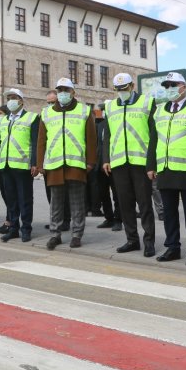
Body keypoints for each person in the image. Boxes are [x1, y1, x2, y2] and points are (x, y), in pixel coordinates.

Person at [147, 72, 186, 266]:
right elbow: (154, 140)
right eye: (166, 86)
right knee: (169, 212)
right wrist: (150, 165)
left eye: (173, 85)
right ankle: (172, 247)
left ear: (183, 87)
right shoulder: (159, 111)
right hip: (165, 169)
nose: (169, 89)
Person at [37, 77, 96, 250]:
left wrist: (91, 162)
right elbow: (41, 140)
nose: (63, 93)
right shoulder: (46, 113)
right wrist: (40, 163)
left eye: (66, 90)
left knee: (77, 202)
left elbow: (91, 139)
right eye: (60, 90)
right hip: (54, 165)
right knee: (56, 203)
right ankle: (55, 235)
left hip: (76, 164)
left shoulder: (84, 110)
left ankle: (77, 234)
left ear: (73, 92)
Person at [102, 73, 156, 257]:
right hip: (119, 163)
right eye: (118, 90)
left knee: (145, 204)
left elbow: (153, 134)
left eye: (124, 88)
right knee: (125, 205)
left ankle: (149, 241)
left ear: (132, 86)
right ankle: (132, 240)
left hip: (140, 163)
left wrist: (151, 163)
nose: (121, 92)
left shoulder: (147, 102)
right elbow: (107, 136)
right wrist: (106, 159)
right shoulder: (110, 106)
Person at [0, 88, 39, 242]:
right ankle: (13, 228)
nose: (11, 100)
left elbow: (35, 142)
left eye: (14, 97)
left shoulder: (32, 118)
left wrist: (35, 163)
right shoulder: (2, 121)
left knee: (24, 199)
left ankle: (26, 229)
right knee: (10, 199)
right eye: (9, 98)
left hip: (23, 166)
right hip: (5, 166)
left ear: (21, 101)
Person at [41, 90, 71, 232]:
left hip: (63, 161)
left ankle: (65, 220)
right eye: (48, 103)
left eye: (53, 102)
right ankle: (55, 219)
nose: (50, 105)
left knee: (63, 194)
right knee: (50, 193)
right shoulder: (46, 115)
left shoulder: (63, 116)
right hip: (49, 161)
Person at [95, 102, 122, 232]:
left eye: (105, 109)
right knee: (102, 193)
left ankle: (118, 219)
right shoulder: (99, 125)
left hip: (114, 163)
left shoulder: (117, 124)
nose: (104, 112)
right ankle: (108, 218)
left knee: (117, 194)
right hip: (100, 164)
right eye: (102, 110)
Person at [0, 104, 14, 235]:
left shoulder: (12, 125)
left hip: (12, 164)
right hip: (1, 164)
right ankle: (9, 219)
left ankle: (10, 221)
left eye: (0, 113)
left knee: (10, 195)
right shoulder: (0, 125)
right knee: (5, 194)